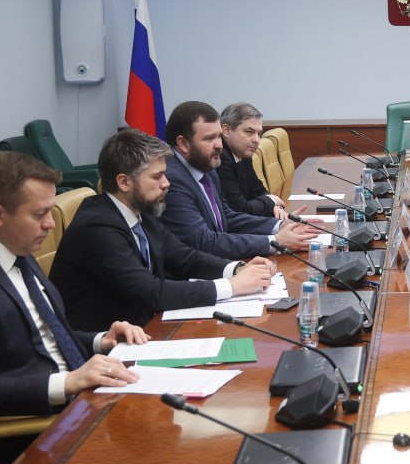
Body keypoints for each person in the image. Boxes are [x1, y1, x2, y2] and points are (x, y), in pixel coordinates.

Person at [0, 151, 147, 419]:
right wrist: (69, 382)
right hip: (42, 421)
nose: (50, 224)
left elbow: (45, 337)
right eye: (39, 214)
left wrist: (101, 340)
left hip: (85, 398)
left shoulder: (16, 248)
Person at [51, 129, 277, 331]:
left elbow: (184, 258)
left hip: (146, 328)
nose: (166, 183)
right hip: (107, 345)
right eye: (157, 176)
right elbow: (150, 291)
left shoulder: (141, 211)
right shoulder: (97, 227)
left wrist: (236, 269)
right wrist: (232, 286)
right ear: (124, 182)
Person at [159, 100, 319, 258]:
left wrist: (279, 225)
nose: (219, 145)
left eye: (218, 137)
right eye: (209, 138)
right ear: (183, 144)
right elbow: (203, 241)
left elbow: (226, 217)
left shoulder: (207, 167)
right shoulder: (172, 181)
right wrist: (275, 241)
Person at [217, 102, 286, 218]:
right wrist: (271, 202)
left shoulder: (243, 153)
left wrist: (274, 207)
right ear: (226, 130)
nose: (256, 140)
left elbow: (258, 190)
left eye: (259, 133)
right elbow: (240, 208)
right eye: (249, 132)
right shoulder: (220, 158)